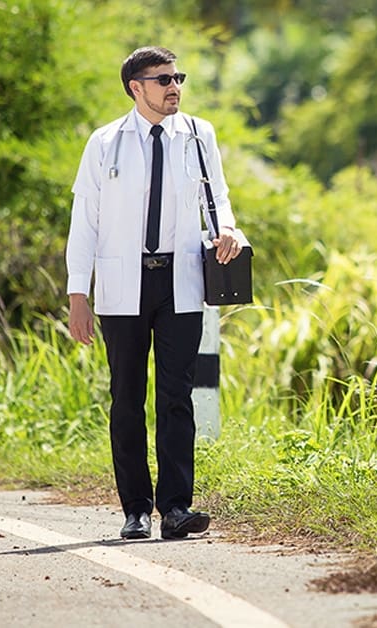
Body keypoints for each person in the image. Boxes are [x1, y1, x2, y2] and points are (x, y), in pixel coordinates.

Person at [65, 46, 244, 540]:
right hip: (123, 283)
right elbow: (85, 222)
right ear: (135, 88)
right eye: (162, 79)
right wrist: (78, 293)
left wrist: (227, 230)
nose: (174, 87)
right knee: (126, 396)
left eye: (177, 77)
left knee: (176, 396)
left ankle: (176, 508)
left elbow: (219, 197)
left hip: (181, 280)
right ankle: (136, 509)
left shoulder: (199, 135)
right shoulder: (105, 144)